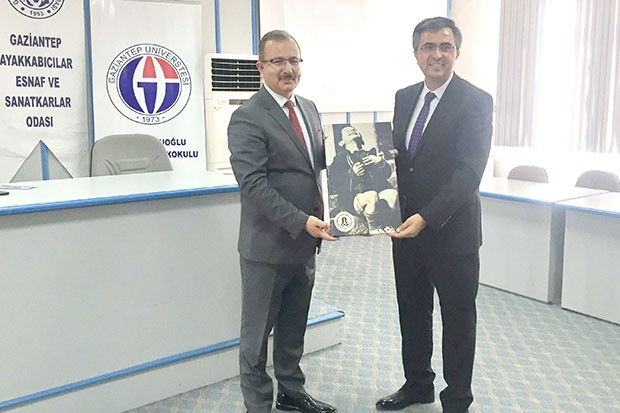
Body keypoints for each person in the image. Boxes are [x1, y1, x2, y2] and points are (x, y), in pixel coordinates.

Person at [376, 17, 493, 413]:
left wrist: (426, 216)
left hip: (452, 231)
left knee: (458, 318)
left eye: (445, 47)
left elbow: (469, 173)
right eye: (428, 47)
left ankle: (457, 399)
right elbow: (404, 158)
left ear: (456, 52)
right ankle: (417, 385)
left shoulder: (476, 101)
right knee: (412, 311)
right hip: (405, 229)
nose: (437, 55)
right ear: (416, 54)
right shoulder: (405, 96)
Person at [227, 30, 338, 413]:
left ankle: (291, 392)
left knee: (293, 328)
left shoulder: (307, 107)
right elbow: (253, 185)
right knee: (256, 337)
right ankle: (258, 404)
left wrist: (373, 154)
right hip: (267, 247)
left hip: (305, 243)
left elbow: (316, 161)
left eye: (294, 60)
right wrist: (301, 220)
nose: (288, 68)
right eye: (278, 61)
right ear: (261, 67)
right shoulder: (247, 117)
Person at [328, 125, 399, 234]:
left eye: (354, 129)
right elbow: (335, 182)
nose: (352, 130)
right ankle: (374, 226)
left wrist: (380, 162)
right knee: (371, 196)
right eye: (346, 131)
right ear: (341, 143)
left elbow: (386, 174)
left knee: (392, 195)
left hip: (377, 192)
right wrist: (352, 173)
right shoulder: (339, 159)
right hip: (354, 197)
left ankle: (387, 223)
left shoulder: (371, 153)